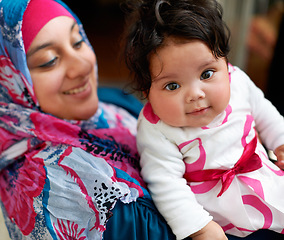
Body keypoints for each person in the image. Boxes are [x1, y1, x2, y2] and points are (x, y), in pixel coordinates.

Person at [0, 0, 176, 239]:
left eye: (78, 41)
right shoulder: (62, 184)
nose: (82, 67)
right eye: (49, 60)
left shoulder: (109, 102)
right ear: (10, 82)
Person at [121, 0, 284, 240]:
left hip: (267, 180)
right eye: (172, 85)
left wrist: (280, 142)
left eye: (206, 74)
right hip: (220, 216)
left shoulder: (236, 81)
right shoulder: (157, 129)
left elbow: (266, 113)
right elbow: (166, 183)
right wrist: (201, 228)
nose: (195, 94)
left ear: (226, 64)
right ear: (147, 94)